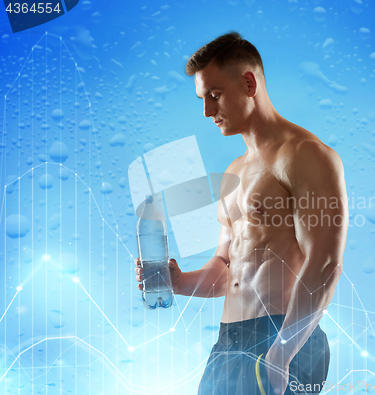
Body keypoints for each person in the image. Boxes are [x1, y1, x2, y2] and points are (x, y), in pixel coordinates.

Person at [134, 31, 348, 395]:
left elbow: (325, 262)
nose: (207, 111)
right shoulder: (234, 172)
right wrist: (180, 282)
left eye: (214, 96)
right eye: (203, 99)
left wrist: (280, 355)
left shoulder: (305, 155)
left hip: (284, 336)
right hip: (228, 342)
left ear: (249, 83)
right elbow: (227, 265)